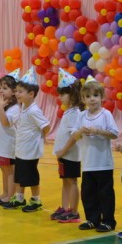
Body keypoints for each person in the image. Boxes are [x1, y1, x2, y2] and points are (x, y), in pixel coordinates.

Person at [72, 75, 119, 232]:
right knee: (88, 194)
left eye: (95, 95)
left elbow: (114, 133)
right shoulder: (81, 116)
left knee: (105, 194)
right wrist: (81, 131)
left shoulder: (105, 114)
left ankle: (108, 221)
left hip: (103, 163)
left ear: (102, 97)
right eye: (88, 96)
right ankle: (92, 219)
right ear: (83, 99)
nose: (92, 99)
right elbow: (74, 135)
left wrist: (98, 131)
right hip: (88, 163)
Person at [14, 66, 50, 212]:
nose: (17, 94)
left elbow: (46, 126)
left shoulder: (34, 110)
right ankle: (19, 198)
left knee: (31, 176)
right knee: (20, 175)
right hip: (22, 149)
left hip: (30, 151)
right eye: (16, 91)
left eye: (20, 92)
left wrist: (40, 138)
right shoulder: (24, 107)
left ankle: (36, 200)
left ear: (31, 94)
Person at [51, 68, 84, 223]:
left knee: (71, 181)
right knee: (65, 181)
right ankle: (65, 208)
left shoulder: (77, 113)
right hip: (63, 155)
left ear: (73, 94)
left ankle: (74, 211)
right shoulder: (68, 111)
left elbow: (74, 136)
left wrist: (63, 150)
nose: (60, 97)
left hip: (70, 154)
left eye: (63, 94)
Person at [0, 69, 20, 204]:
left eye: (5, 88)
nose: (0, 91)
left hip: (7, 145)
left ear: (13, 91)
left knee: (9, 170)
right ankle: (5, 192)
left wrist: (0, 107)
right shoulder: (2, 105)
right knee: (3, 169)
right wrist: (0, 107)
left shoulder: (15, 108)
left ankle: (10, 195)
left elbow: (5, 123)